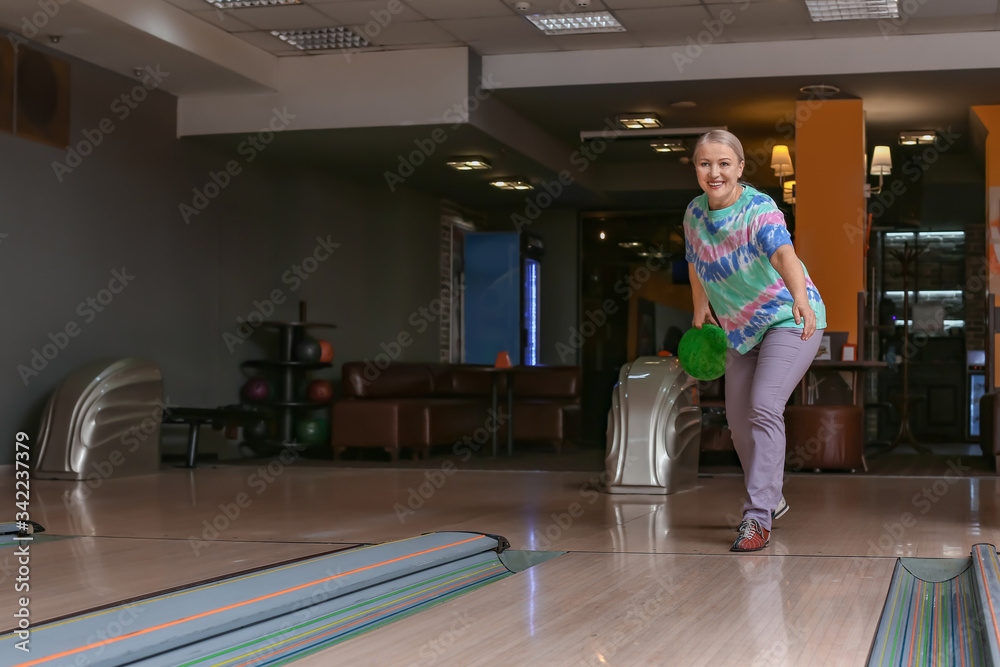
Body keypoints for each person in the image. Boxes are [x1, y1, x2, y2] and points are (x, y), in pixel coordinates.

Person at [683, 130, 827, 553]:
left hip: (788, 318)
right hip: (740, 331)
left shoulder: (759, 209)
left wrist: (800, 298)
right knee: (737, 421)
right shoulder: (694, 214)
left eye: (724, 164)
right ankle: (772, 496)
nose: (714, 172)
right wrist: (699, 305)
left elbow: (783, 254)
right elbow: (694, 260)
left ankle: (757, 517)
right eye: (705, 164)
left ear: (740, 167)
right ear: (696, 168)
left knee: (764, 405)